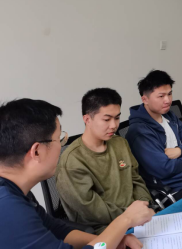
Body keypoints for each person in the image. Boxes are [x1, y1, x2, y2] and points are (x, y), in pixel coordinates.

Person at [0, 98, 153, 249]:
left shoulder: (18, 193)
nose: (61, 147)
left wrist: (112, 240)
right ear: (37, 152)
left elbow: (57, 230)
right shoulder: (9, 209)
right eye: (58, 139)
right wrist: (125, 220)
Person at [56, 88, 152, 234]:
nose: (114, 125)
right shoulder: (72, 161)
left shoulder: (120, 143)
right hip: (104, 230)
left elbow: (136, 179)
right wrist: (130, 215)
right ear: (87, 119)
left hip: (137, 218)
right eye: (107, 119)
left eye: (117, 118)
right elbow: (92, 211)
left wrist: (143, 203)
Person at [126, 70, 182, 199]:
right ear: (145, 99)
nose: (167, 100)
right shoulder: (140, 131)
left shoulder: (170, 116)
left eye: (169, 94)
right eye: (161, 96)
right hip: (175, 187)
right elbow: (164, 169)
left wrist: (179, 151)